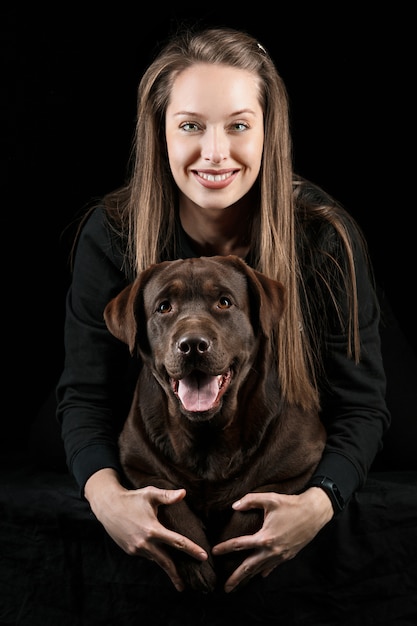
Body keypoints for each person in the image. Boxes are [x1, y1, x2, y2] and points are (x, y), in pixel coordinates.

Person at [56, 26, 390, 594]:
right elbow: (87, 395)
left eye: (239, 125)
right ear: (159, 132)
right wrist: (105, 495)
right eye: (191, 126)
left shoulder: (321, 236)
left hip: (294, 414)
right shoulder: (110, 232)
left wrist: (321, 499)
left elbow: (362, 404)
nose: (216, 153)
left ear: (268, 133)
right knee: (52, 437)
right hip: (153, 427)